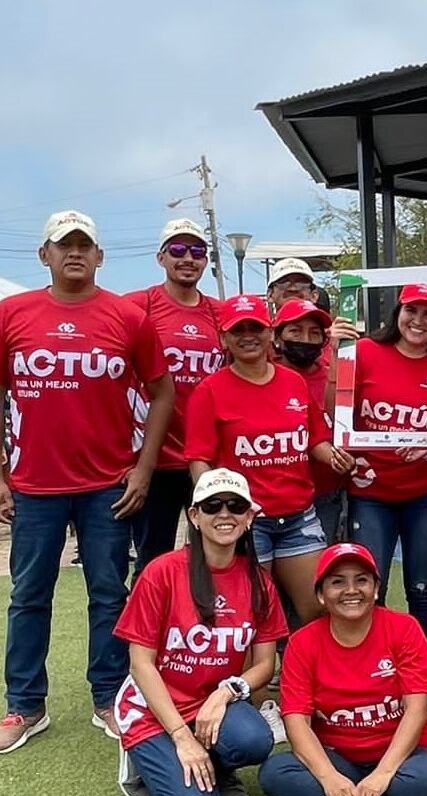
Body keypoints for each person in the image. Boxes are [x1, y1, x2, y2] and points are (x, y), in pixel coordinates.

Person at [0, 210, 176, 754]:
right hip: (35, 487)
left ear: (100, 256)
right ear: (45, 254)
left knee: (109, 595)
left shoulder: (127, 317)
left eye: (85, 245)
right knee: (29, 595)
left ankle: (109, 696)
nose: (75, 253)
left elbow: (162, 392)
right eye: (64, 245)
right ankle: (24, 705)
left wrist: (144, 467)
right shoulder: (10, 314)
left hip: (108, 486)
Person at [112, 469, 287, 796]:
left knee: (255, 739)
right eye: (212, 505)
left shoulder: (260, 582)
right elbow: (140, 663)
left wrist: (225, 694)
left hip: (210, 704)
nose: (225, 514)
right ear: (194, 516)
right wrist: (180, 735)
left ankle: (214, 766)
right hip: (153, 709)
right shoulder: (162, 573)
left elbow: (264, 666)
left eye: (236, 506)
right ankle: (144, 762)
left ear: (250, 516)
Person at [259, 543, 427, 796]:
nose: (351, 590)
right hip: (337, 757)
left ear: (375, 589)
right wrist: (329, 779)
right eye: (337, 582)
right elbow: (296, 722)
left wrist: (383, 774)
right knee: (273, 773)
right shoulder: (303, 643)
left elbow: (417, 709)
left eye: (361, 580)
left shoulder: (405, 628)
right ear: (320, 594)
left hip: (402, 757)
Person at [185, 294, 346, 630]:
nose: (248, 335)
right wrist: (215, 508)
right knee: (248, 615)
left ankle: (303, 679)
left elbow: (315, 439)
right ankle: (249, 683)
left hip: (299, 517)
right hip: (247, 521)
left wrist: (337, 457)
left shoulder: (293, 382)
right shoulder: (210, 390)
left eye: (255, 327)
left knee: (317, 608)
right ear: (223, 337)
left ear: (270, 333)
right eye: (237, 329)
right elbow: (200, 460)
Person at [330, 284, 427, 645]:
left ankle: (419, 674)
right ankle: (374, 668)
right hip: (370, 492)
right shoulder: (362, 352)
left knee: (422, 587)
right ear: (397, 312)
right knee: (372, 584)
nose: (418, 321)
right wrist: (335, 355)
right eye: (411, 310)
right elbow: (335, 414)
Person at [126, 219, 223, 577]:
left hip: (207, 458)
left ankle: (205, 631)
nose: (188, 259)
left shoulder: (220, 313)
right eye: (178, 250)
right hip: (155, 459)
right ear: (161, 258)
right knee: (153, 562)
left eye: (197, 251)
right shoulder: (138, 305)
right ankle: (148, 634)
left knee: (214, 559)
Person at [275, 298, 346, 544]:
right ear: (278, 335)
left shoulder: (334, 373)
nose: (305, 339)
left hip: (326, 492)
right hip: (275, 498)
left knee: (320, 571)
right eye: (295, 331)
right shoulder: (263, 375)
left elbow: (340, 420)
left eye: (314, 333)